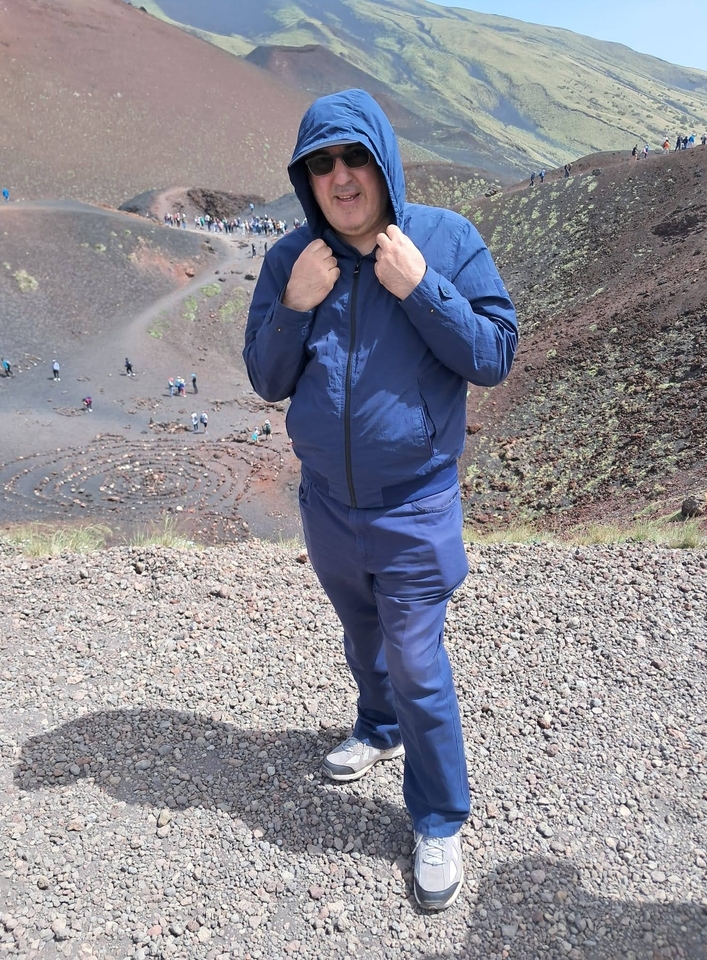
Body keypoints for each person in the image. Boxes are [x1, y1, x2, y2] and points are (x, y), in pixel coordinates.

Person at [244, 88, 517, 912]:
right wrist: (294, 305)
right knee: (362, 634)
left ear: (383, 162)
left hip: (414, 506)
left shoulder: (445, 241)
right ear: (306, 179)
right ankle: (378, 727)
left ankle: (438, 818)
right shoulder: (293, 259)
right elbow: (267, 379)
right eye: (321, 164)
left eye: (354, 157)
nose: (341, 177)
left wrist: (422, 287)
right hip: (328, 504)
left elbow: (494, 354)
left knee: (418, 663)